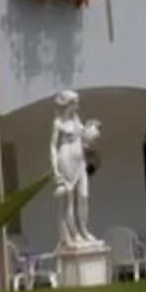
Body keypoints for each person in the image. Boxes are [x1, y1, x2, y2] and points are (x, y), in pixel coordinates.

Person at [49, 90, 101, 247]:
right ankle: (74, 233)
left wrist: (92, 128)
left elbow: (85, 136)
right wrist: (55, 169)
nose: (77, 106)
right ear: (68, 104)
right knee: (69, 200)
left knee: (84, 196)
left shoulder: (77, 120)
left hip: (80, 162)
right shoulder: (58, 123)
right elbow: (52, 145)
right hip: (66, 161)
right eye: (75, 103)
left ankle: (84, 229)